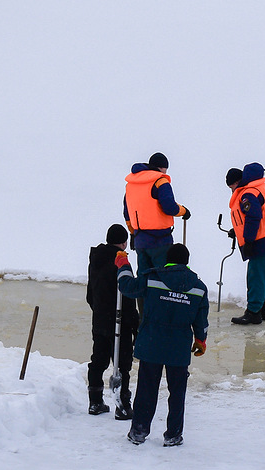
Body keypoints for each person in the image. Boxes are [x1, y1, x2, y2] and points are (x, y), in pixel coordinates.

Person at [116, 243, 209, 446]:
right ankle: (173, 435)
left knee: (146, 390)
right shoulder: (199, 287)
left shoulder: (152, 278)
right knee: (177, 394)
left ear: (168, 259)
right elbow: (201, 320)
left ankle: (139, 431)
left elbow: (126, 287)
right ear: (186, 262)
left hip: (152, 345)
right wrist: (200, 340)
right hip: (179, 348)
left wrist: (123, 265)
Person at [86, 224, 139, 418]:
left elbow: (91, 292)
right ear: (124, 242)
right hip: (119, 320)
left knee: (98, 359)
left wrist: (99, 311)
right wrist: (135, 323)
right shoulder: (121, 260)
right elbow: (127, 294)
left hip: (100, 318)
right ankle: (123, 405)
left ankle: (95, 402)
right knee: (122, 364)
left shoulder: (95, 259)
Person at [227, 162, 265, 325]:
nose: (232, 189)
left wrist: (249, 240)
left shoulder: (248, 194)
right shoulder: (264, 188)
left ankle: (253, 312)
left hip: (260, 240)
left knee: (256, 277)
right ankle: (263, 309)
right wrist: (236, 231)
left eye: (232, 185)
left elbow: (253, 217)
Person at [123, 152, 191, 271]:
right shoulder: (160, 181)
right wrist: (183, 211)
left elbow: (127, 212)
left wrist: (133, 232)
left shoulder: (131, 184)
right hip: (160, 241)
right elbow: (170, 208)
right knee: (161, 277)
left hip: (140, 239)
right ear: (162, 167)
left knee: (144, 278)